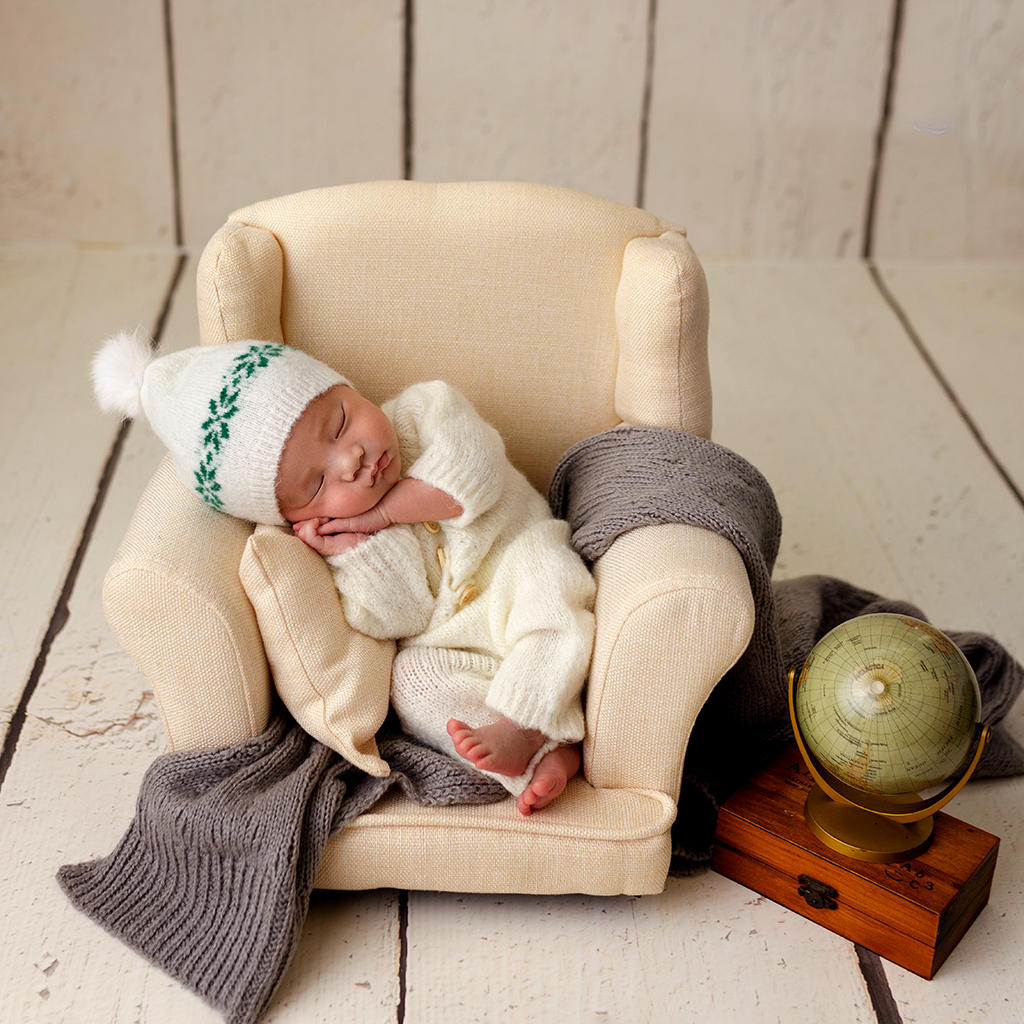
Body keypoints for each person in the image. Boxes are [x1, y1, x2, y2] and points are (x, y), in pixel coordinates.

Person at [92, 332, 595, 815]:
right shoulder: (343, 542)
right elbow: (403, 616)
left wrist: (379, 513)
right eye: (317, 484)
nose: (351, 460)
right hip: (451, 638)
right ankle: (543, 752)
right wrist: (357, 550)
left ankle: (529, 723)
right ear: (296, 519)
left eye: (338, 425)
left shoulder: (425, 412)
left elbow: (474, 476)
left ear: (345, 388)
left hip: (514, 556)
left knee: (551, 599)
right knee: (412, 684)